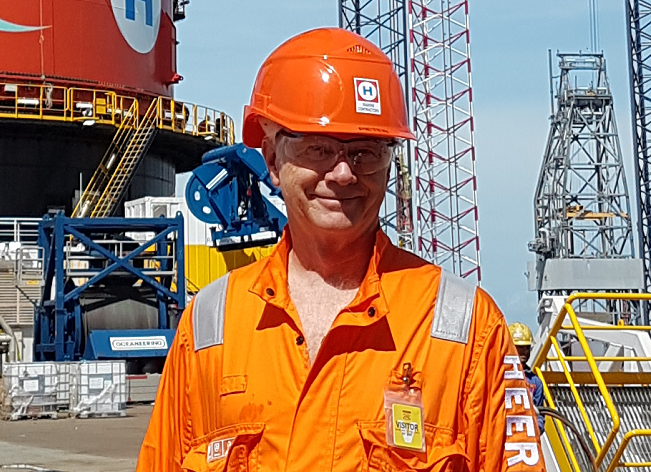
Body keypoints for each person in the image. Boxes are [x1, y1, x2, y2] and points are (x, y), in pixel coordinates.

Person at [136, 28, 545, 472]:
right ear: (271, 160)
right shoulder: (209, 325)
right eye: (320, 149)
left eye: (367, 151)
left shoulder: (464, 328)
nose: (344, 173)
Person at [509, 321, 546, 431]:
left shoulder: (535, 382)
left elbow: (540, 414)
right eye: (519, 348)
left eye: (527, 348)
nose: (524, 352)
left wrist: (537, 429)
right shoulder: (496, 377)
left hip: (526, 437)